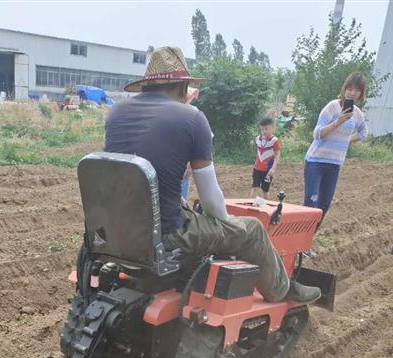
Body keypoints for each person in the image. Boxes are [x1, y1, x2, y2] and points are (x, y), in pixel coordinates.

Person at [104, 46, 320, 304]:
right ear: (184, 87)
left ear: (146, 85)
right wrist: (227, 222)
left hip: (117, 230)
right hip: (166, 235)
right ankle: (281, 291)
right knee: (251, 229)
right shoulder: (192, 117)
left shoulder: (116, 113)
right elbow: (210, 199)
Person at [303, 72, 368, 255]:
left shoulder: (358, 114)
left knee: (324, 205)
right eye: (349, 88)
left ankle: (306, 244)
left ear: (361, 93)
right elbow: (317, 133)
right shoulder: (332, 107)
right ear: (344, 88)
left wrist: (346, 140)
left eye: (356, 90)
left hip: (335, 164)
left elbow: (363, 133)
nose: (351, 93)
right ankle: (300, 245)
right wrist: (338, 122)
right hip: (316, 161)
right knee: (311, 203)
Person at [251, 115, 281, 199]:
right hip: (257, 169)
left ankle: (266, 207)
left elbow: (277, 154)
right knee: (255, 187)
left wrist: (273, 168)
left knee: (265, 190)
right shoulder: (258, 139)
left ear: (273, 128)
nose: (264, 131)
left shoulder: (274, 141)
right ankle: (251, 206)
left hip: (268, 171)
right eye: (262, 129)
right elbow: (257, 150)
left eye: (266, 129)